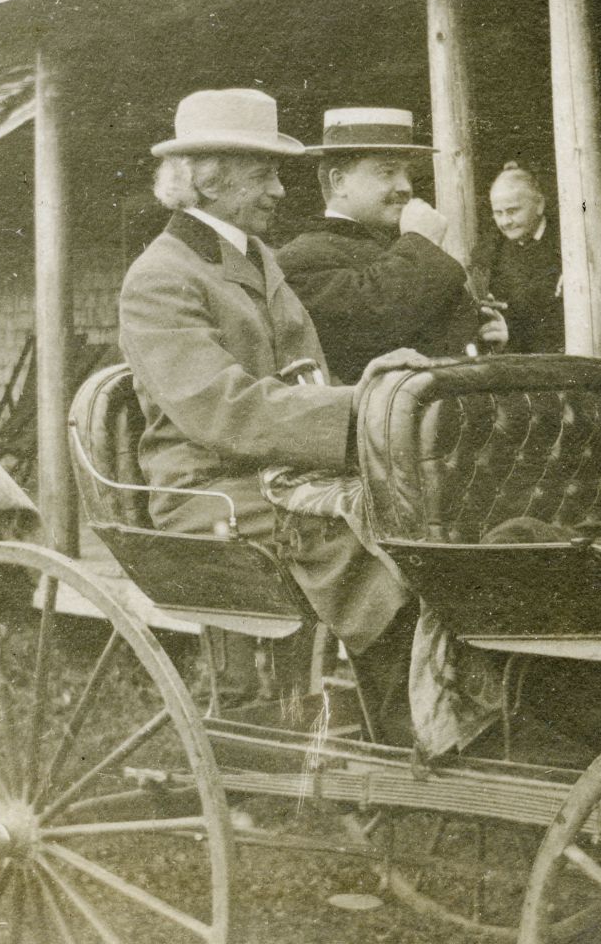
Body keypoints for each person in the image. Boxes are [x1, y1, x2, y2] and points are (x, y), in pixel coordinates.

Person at [118, 89, 423, 736]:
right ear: (207, 180)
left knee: (418, 514)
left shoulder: (256, 258)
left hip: (273, 474)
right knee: (368, 530)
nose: (283, 191)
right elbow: (222, 412)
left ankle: (401, 716)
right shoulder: (160, 276)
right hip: (208, 487)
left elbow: (301, 376)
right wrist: (359, 414)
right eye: (265, 174)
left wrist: (370, 385)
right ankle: (403, 725)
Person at [277, 107, 507, 383]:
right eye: (387, 172)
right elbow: (377, 322)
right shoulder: (300, 257)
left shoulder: (406, 249)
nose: (406, 186)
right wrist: (421, 242)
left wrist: (484, 338)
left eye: (406, 174)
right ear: (339, 182)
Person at [470, 162, 564, 353]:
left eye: (513, 211)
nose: (505, 222)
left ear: (539, 205)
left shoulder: (566, 243)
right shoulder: (489, 251)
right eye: (498, 213)